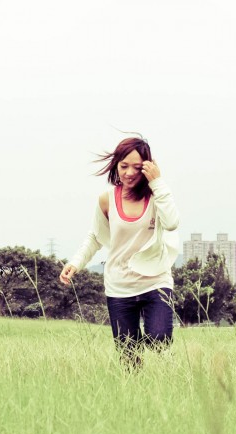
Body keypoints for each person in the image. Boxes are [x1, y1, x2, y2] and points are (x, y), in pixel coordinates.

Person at [59, 136, 180, 370]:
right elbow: (95, 236)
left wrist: (158, 182)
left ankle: (171, 369)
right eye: (124, 166)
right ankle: (136, 399)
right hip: (119, 287)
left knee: (159, 339)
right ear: (116, 165)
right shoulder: (107, 200)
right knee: (129, 358)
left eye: (137, 167)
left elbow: (173, 223)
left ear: (148, 167)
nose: (129, 173)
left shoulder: (157, 196)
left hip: (155, 282)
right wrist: (76, 263)